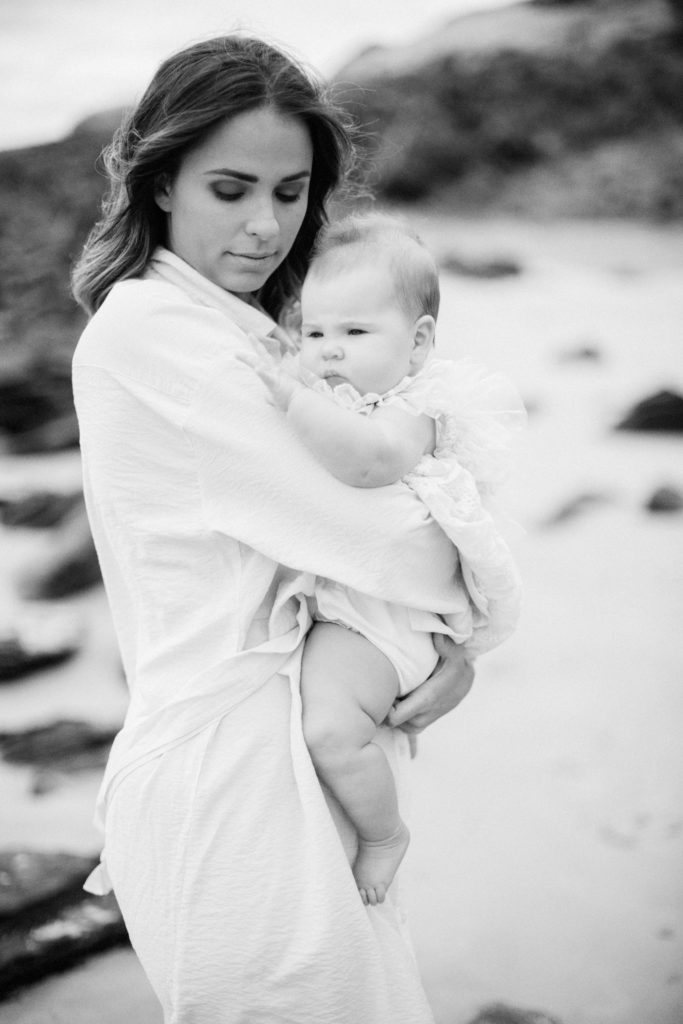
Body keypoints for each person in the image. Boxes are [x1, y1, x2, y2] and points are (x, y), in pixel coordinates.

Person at [71, 35, 477, 1024]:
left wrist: (448, 640)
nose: (264, 225)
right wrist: (464, 632)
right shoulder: (157, 332)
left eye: (290, 192)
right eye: (230, 188)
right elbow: (393, 540)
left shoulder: (246, 328)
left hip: (287, 754)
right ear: (160, 181)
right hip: (233, 782)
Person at [243, 212, 523, 908]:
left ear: (418, 342)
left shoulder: (412, 406)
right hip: (355, 609)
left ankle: (383, 833)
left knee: (330, 731)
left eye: (354, 332)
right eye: (313, 333)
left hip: (384, 622)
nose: (329, 351)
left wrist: (289, 396)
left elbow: (372, 465)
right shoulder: (344, 394)